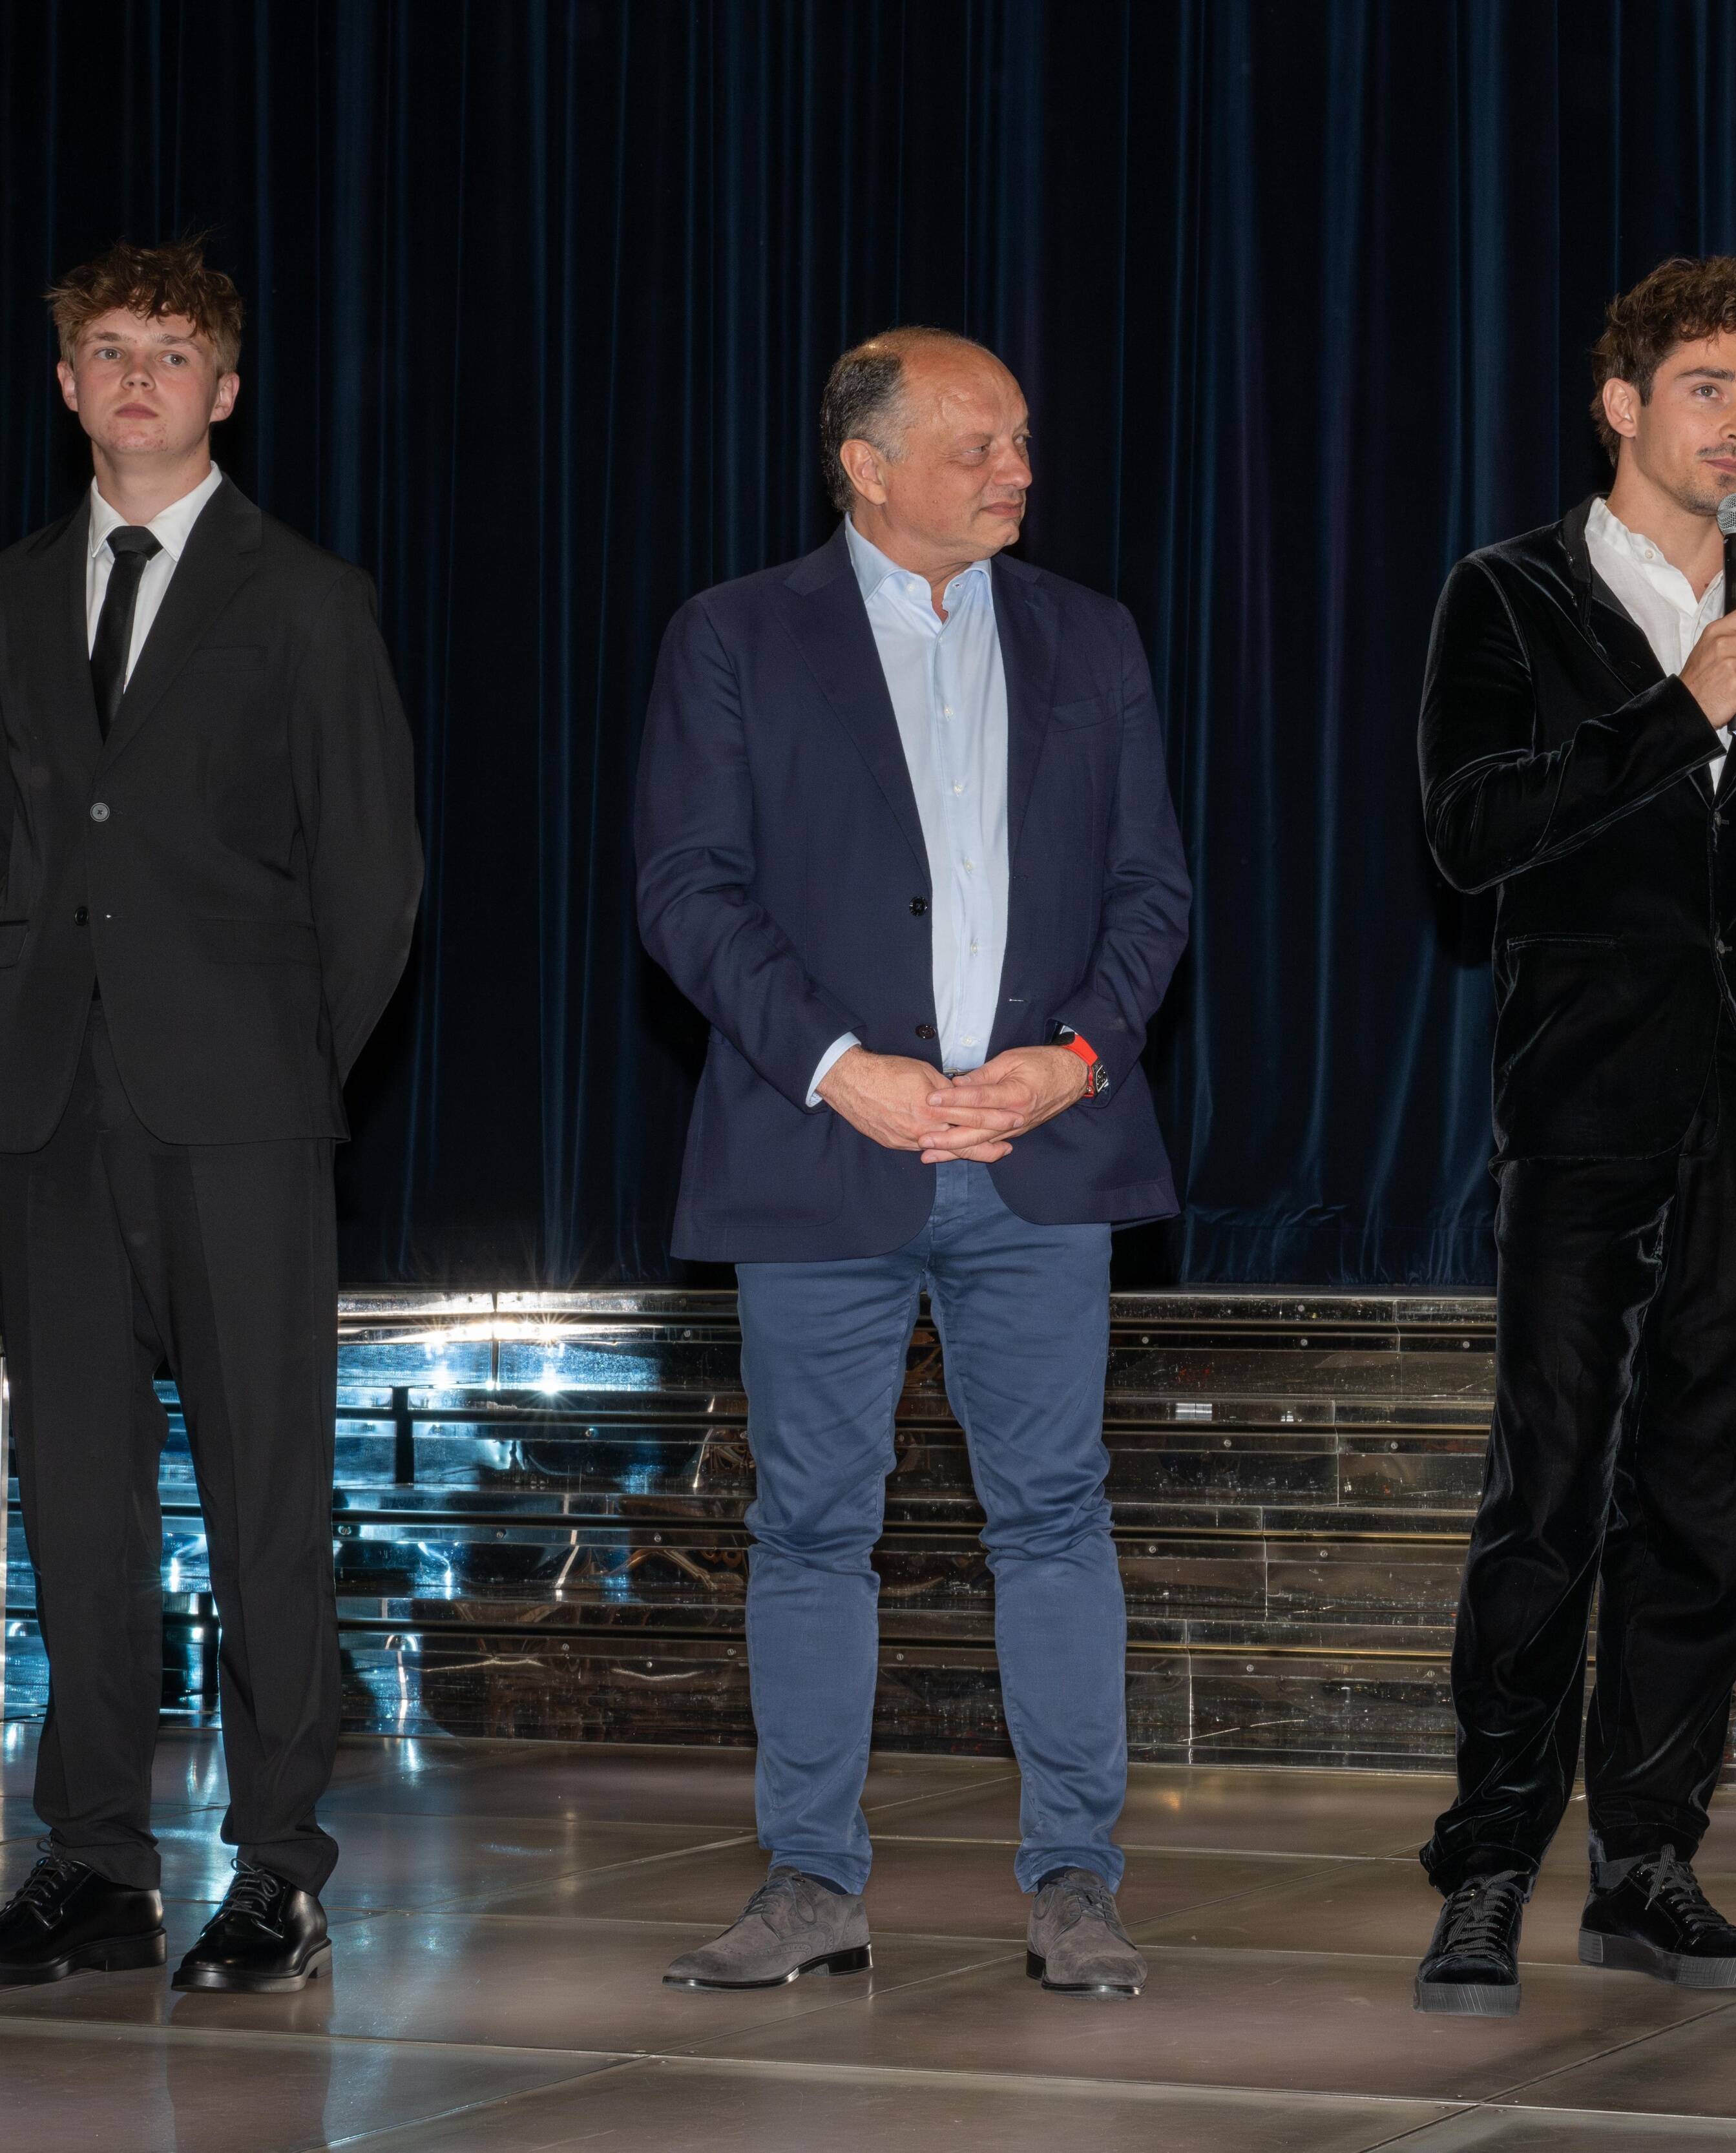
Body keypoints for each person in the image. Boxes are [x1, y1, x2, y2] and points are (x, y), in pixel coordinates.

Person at [633, 328, 1189, 1999]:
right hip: (829, 1148)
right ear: (868, 467)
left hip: (1038, 1149)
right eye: (976, 445)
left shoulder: (1093, 639)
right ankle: (813, 1885)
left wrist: (1072, 1055)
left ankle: (1077, 1886)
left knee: (1054, 1517)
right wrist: (839, 1067)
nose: (1016, 468)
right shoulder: (736, 637)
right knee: (810, 1526)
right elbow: (687, 890)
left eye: (1021, 439)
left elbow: (1154, 894)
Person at [1409, 256, 1736, 2015]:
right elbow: (1467, 832)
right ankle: (1487, 1863)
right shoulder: (1508, 597)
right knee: (1547, 1499)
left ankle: (1650, 1854)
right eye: (1707, 389)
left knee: (1713, 1499)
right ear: (1621, 403)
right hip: (1586, 1098)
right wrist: (1669, 711)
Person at [0, 237, 421, 1993]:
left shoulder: (308, 598)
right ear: (68, 385)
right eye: (108, 348)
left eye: (174, 350)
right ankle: (92, 1863)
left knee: (263, 1499)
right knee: (74, 1503)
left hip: (241, 1116)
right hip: (44, 1114)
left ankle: (278, 1866)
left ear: (225, 389)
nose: (140, 376)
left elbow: (374, 881)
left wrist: (285, 1072)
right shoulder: (12, 590)